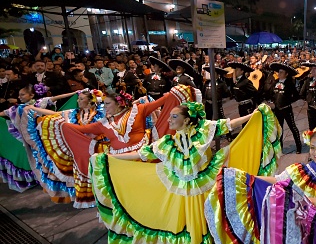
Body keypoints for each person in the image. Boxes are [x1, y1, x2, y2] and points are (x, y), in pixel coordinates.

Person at [89, 102, 281, 244]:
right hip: (184, 192)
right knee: (192, 225)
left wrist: (254, 115)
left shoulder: (203, 131)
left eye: (174, 116)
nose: (169, 120)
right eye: (170, 116)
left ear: (188, 120)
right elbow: (141, 154)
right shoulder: (166, 143)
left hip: (207, 185)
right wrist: (110, 158)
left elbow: (228, 124)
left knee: (212, 219)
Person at [38, 84, 202, 208]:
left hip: (142, 153)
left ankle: (155, 205)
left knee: (150, 184)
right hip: (120, 160)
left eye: (108, 103)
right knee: (128, 190)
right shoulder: (102, 124)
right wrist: (57, 123)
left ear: (119, 103)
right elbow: (80, 130)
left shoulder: (138, 110)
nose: (105, 107)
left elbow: (165, 100)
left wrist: (175, 90)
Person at [23, 89, 105, 204]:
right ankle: (92, 197)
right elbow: (55, 114)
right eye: (79, 98)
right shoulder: (74, 113)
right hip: (80, 150)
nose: (78, 100)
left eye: (81, 99)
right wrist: (33, 109)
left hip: (98, 148)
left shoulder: (102, 112)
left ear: (91, 101)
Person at [267, 62, 302, 154]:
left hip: (286, 109)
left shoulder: (289, 84)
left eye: (282, 72)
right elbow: (271, 94)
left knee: (293, 127)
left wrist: (287, 101)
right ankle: (280, 147)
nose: (279, 74)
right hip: (277, 111)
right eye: (279, 72)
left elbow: (296, 96)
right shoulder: (275, 82)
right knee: (279, 129)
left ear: (286, 74)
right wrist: (272, 102)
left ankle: (299, 146)